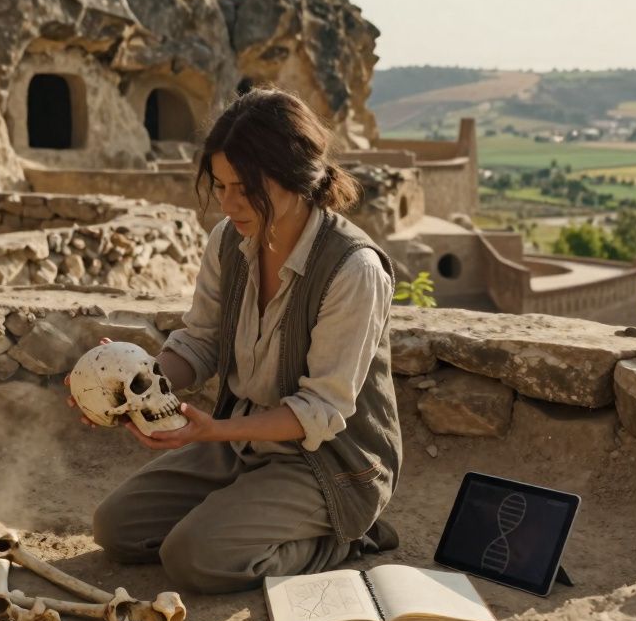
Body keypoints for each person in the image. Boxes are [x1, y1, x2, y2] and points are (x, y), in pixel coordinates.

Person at [67, 87, 401, 594]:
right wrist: (132, 381)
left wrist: (208, 432)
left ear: (295, 177)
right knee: (116, 530)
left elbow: (320, 410)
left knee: (193, 559)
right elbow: (200, 343)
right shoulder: (228, 241)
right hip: (243, 439)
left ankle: (344, 536)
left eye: (244, 188)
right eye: (220, 186)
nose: (228, 203)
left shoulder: (353, 268)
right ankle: (244, 515)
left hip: (326, 462)